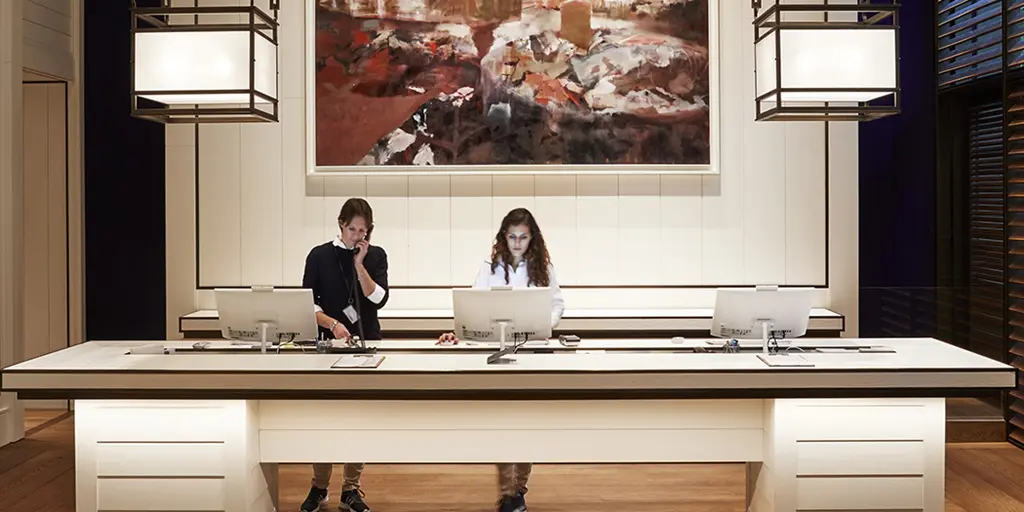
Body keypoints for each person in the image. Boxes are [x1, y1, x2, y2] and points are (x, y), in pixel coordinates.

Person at [438, 207, 565, 512]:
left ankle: (518, 489)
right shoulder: (491, 266)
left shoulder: (544, 268)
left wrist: (544, 325)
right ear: (504, 237)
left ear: (532, 238)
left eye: (523, 237)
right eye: (512, 237)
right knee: (502, 422)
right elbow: (473, 306)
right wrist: (458, 333)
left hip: (532, 353)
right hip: (498, 353)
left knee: (527, 424)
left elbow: (558, 305)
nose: (517, 243)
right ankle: (508, 493)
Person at [299, 197, 389, 512]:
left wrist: (360, 264)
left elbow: (379, 299)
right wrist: (333, 324)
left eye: (363, 231)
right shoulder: (319, 255)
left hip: (367, 345)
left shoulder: (375, 255)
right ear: (341, 224)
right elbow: (308, 305)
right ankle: (319, 487)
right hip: (328, 345)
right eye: (352, 229)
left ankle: (351, 489)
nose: (357, 236)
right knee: (324, 419)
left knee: (360, 418)